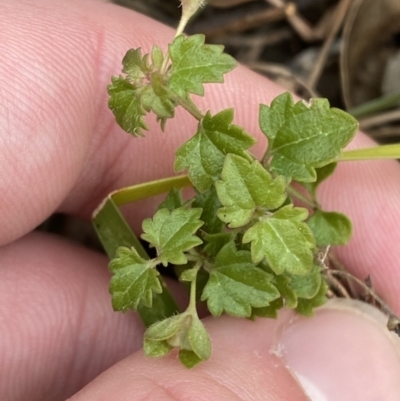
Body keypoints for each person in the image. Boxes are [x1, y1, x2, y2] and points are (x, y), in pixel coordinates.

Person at [1, 1, 399, 400]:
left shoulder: (237, 182)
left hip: (254, 222)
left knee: (292, 262)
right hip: (241, 235)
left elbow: (283, 234)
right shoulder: (219, 196)